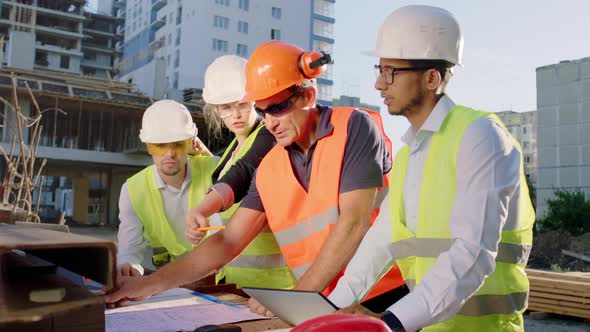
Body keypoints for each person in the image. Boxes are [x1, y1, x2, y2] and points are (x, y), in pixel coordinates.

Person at [106, 41, 405, 313]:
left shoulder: (354, 127)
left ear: (308, 95)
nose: (271, 123)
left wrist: (295, 299)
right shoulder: (271, 166)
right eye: (263, 113)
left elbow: (354, 222)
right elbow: (227, 241)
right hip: (322, 301)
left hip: (382, 295)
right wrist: (150, 285)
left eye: (278, 107)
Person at [329, 5, 535, 332]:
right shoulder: (410, 153)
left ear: (431, 78)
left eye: (389, 72)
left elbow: (472, 254)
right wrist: (331, 309)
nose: (378, 85)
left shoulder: (480, 136)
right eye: (378, 70)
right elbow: (381, 240)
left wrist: (392, 323)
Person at [185, 54, 295, 289]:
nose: (235, 115)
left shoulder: (270, 136)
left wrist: (202, 208)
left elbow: (244, 170)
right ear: (215, 109)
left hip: (276, 286)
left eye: (242, 105)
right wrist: (200, 226)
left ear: (255, 100)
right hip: (237, 284)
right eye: (226, 108)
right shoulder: (227, 156)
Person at [116, 100, 217, 278]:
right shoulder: (133, 190)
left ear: (191, 143)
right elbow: (129, 250)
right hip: (172, 280)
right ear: (149, 147)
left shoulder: (216, 170)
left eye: (177, 144)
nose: (169, 153)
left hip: (220, 277)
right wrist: (129, 267)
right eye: (160, 145)